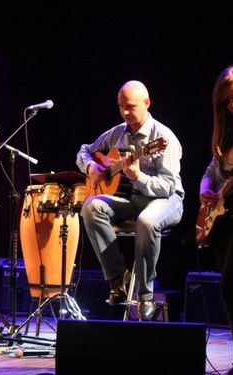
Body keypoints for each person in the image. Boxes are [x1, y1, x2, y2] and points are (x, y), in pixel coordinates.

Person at [76, 80, 184, 321]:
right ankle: (117, 278)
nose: (125, 112)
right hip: (133, 199)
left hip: (167, 200)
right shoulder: (118, 133)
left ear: (147, 104)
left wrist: (138, 177)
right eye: (121, 106)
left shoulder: (163, 138)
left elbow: (167, 187)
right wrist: (92, 165)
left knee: (146, 222)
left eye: (131, 106)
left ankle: (145, 295)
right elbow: (84, 150)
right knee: (91, 206)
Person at [199, 66, 233, 375]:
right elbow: (212, 170)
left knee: (232, 288)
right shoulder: (230, 132)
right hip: (225, 220)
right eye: (227, 102)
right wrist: (205, 187)